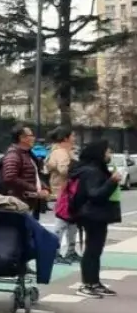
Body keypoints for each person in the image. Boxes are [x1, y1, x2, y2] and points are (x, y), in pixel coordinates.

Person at [68, 139, 121, 298]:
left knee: (95, 250)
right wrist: (112, 181)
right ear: (99, 153)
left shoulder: (95, 169)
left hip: (96, 214)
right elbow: (95, 195)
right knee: (92, 250)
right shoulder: (92, 171)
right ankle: (87, 284)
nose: (109, 154)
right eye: (107, 151)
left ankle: (94, 282)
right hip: (92, 214)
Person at [46, 127, 80, 264]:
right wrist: (78, 169)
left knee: (72, 223)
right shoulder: (61, 152)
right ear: (65, 138)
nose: (74, 138)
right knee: (61, 223)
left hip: (69, 193)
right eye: (73, 135)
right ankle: (54, 252)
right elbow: (64, 170)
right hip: (63, 193)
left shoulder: (66, 151)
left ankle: (70, 251)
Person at [0, 125, 47, 218]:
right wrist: (34, 189)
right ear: (22, 138)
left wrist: (44, 188)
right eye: (31, 135)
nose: (33, 138)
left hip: (28, 202)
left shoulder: (27, 154)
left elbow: (35, 176)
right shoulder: (14, 155)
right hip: (19, 203)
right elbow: (10, 177)